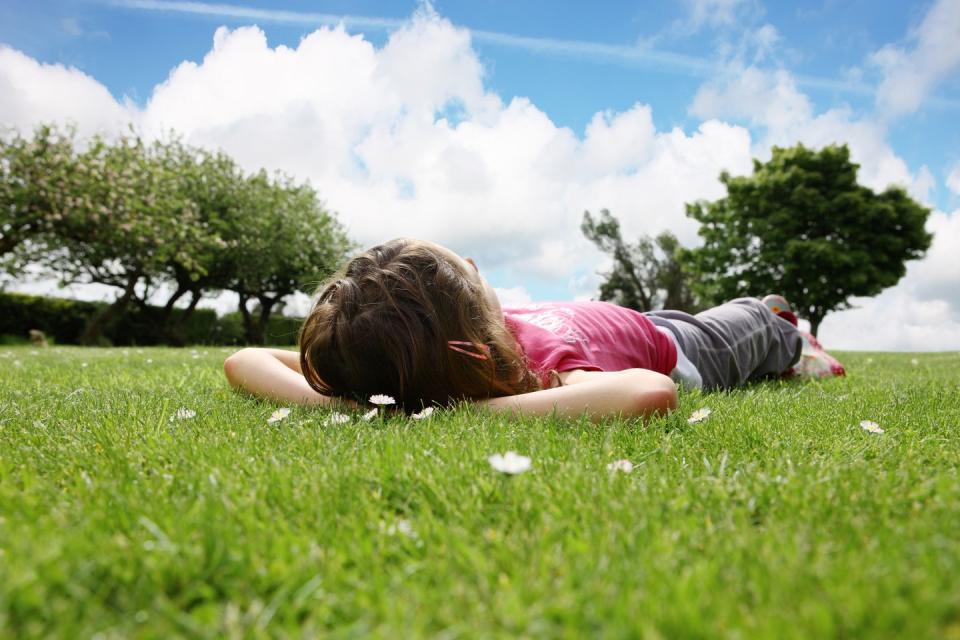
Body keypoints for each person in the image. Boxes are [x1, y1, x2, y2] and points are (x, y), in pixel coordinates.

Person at [223, 238, 802, 422]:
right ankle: (791, 336)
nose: (476, 268)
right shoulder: (540, 379)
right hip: (685, 345)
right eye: (471, 279)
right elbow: (650, 392)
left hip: (634, 321)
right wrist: (458, 411)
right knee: (753, 317)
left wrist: (359, 405)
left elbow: (244, 359)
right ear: (471, 334)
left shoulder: (402, 354)